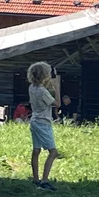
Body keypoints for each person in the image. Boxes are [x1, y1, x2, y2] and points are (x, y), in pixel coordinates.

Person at [28, 60, 63, 189]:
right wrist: (56, 86)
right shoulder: (43, 92)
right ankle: (44, 180)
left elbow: (43, 88)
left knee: (36, 150)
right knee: (53, 152)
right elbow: (58, 104)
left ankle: (35, 178)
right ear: (44, 75)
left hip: (34, 120)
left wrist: (49, 83)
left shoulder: (32, 87)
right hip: (43, 123)